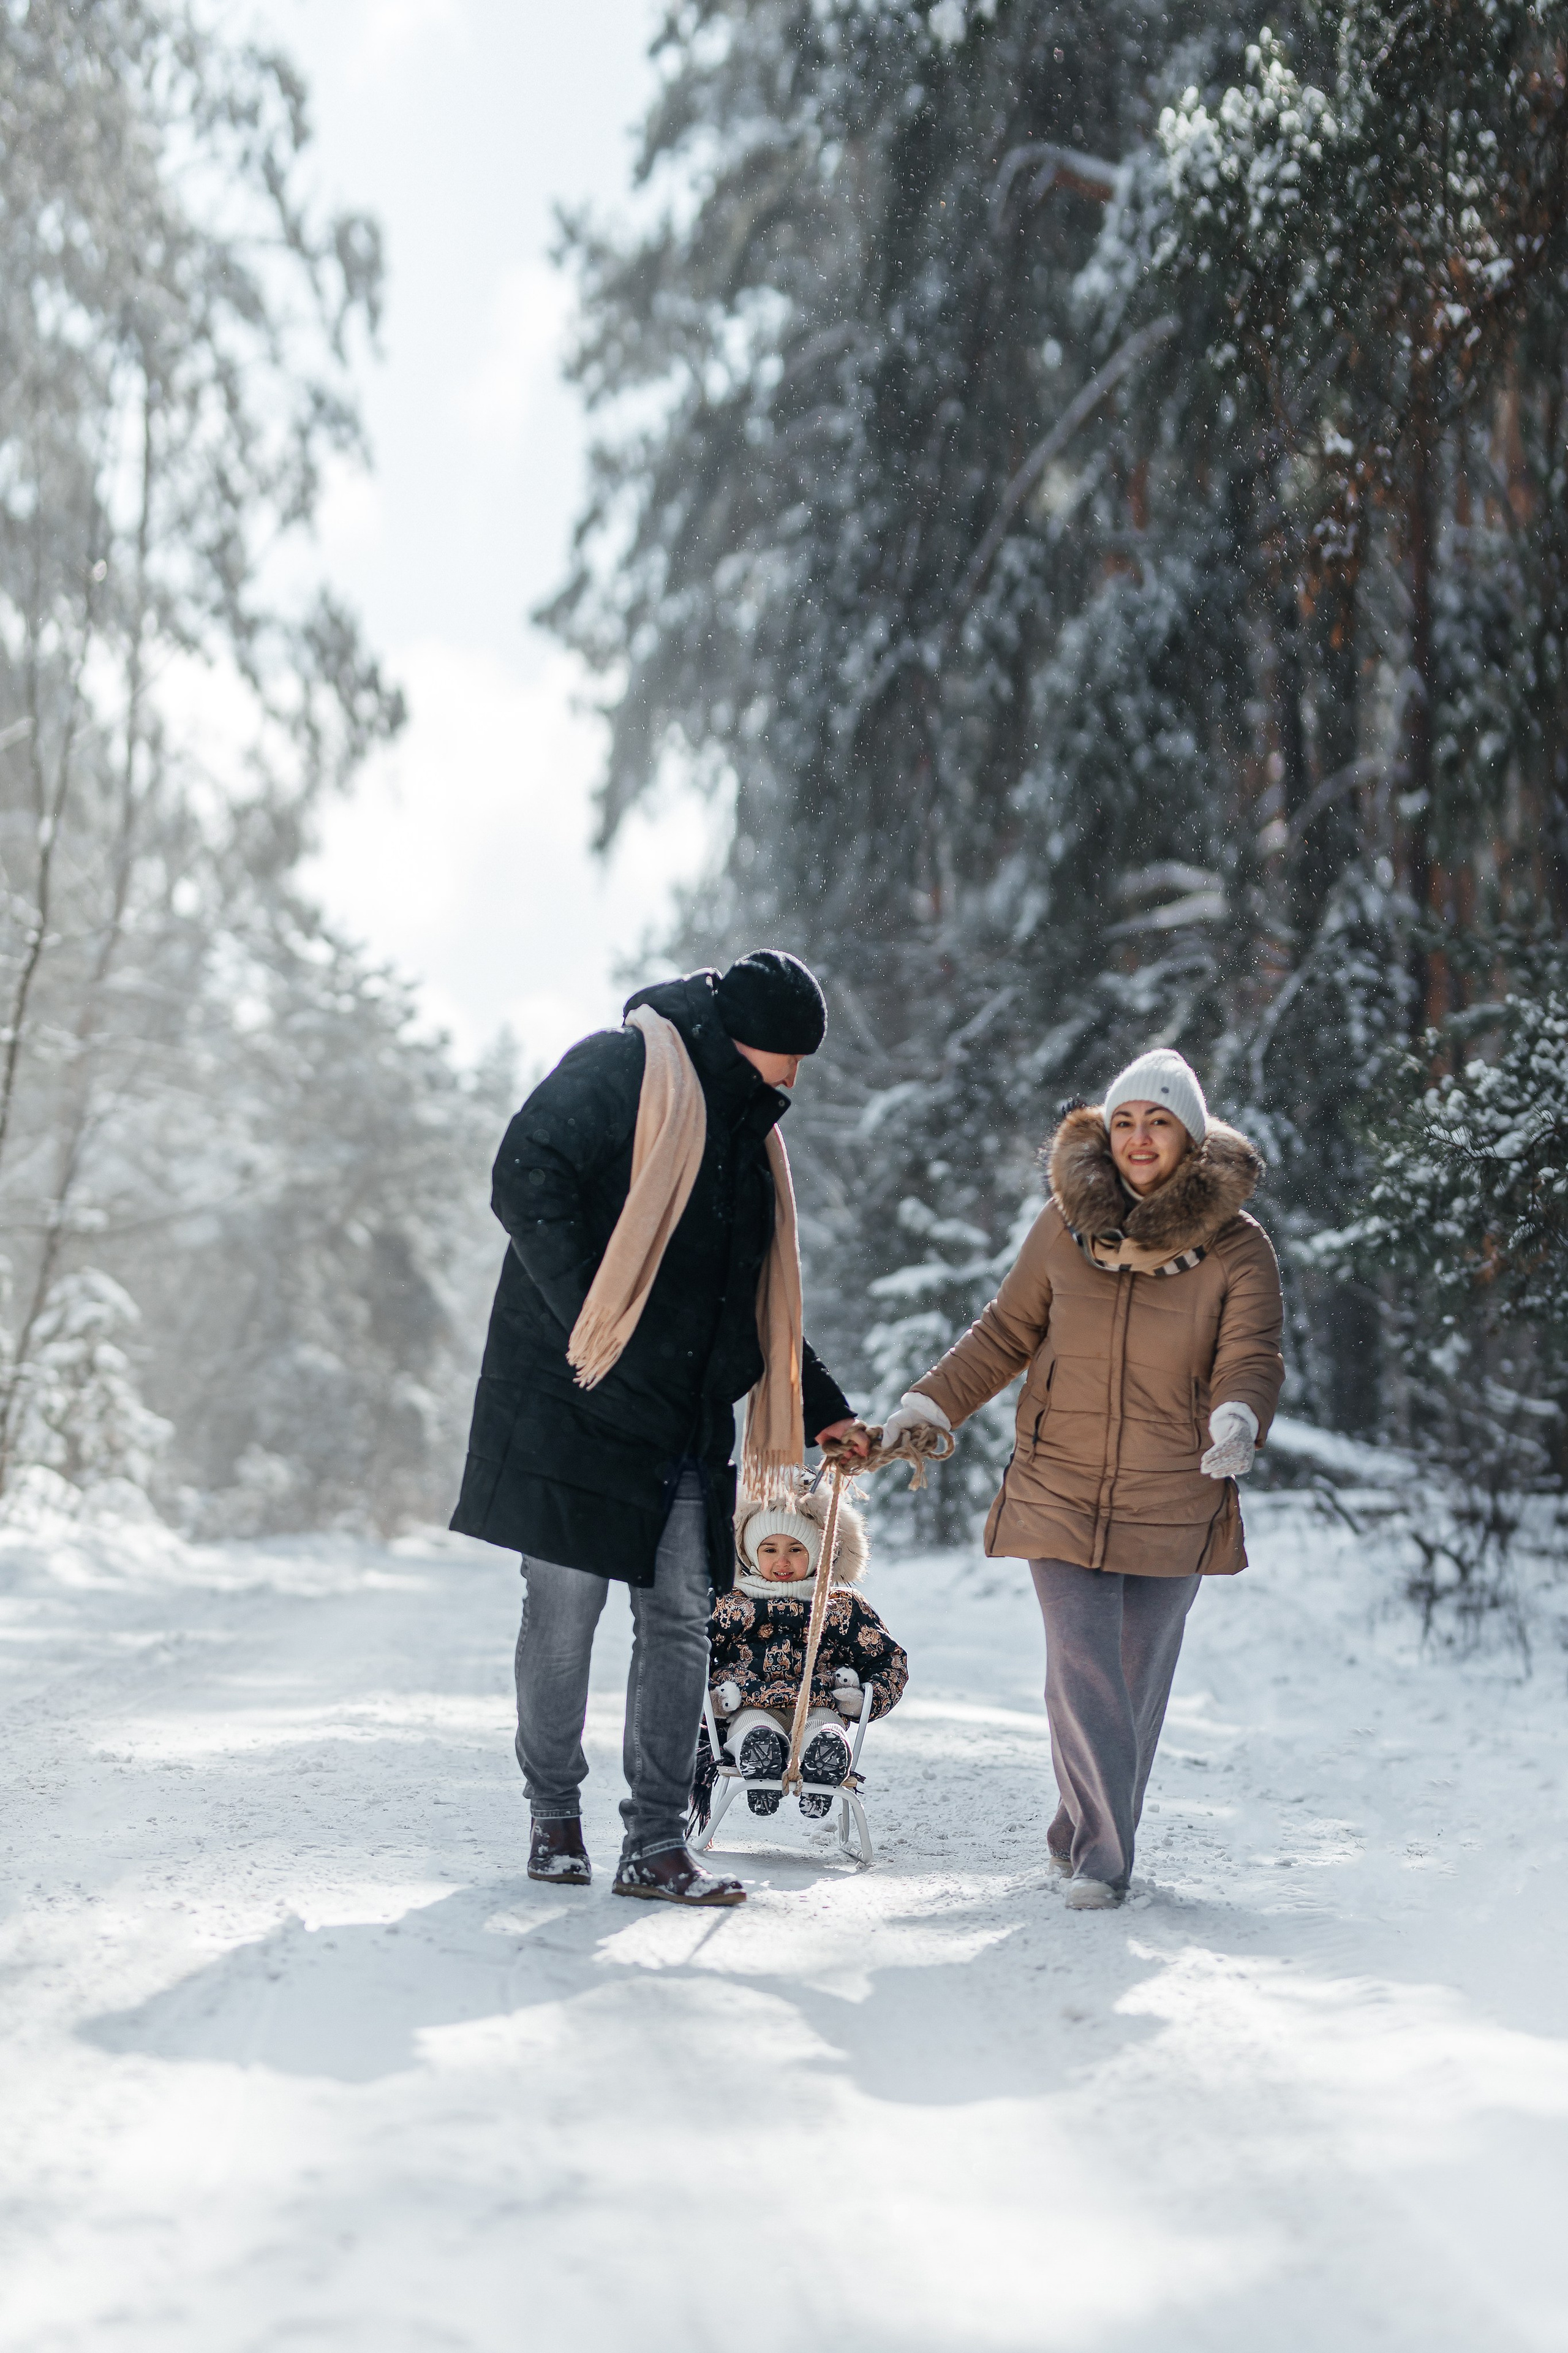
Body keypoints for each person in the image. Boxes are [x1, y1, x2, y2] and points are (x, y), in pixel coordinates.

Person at [450, 951, 868, 1906]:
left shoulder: (749, 1134)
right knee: (563, 1617)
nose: (794, 1077)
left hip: (681, 1416)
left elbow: (756, 1298)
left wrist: (824, 1405)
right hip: (575, 1400)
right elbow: (524, 1179)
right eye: (786, 1055)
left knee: (680, 1620)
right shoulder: (623, 1068)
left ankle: (655, 1842)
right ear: (738, 1036)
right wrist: (601, 1315)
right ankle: (554, 1814)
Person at [880, 1048, 1284, 1911]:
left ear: (1191, 1137)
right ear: (1107, 1132)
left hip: (1174, 1490)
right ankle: (1107, 1857)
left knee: (1134, 1678)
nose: (1140, 1137)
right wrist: (931, 1404)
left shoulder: (1239, 1249)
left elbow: (1251, 1352)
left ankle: (1079, 1823)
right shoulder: (1064, 1226)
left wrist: (1239, 1417)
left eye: (1160, 1121)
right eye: (1126, 1120)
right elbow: (1002, 1333)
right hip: (1058, 1485)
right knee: (1082, 1662)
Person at [699, 1477, 908, 1824]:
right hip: (746, 1701)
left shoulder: (839, 1605)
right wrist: (704, 1699)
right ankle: (759, 1759)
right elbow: (693, 1648)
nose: (783, 1561)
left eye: (796, 1549)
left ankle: (823, 1760)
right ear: (750, 1553)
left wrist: (864, 1697)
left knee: (824, 1727)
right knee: (751, 1728)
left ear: (819, 1552)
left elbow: (886, 1658)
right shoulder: (728, 1602)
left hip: (819, 1701)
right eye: (770, 1550)